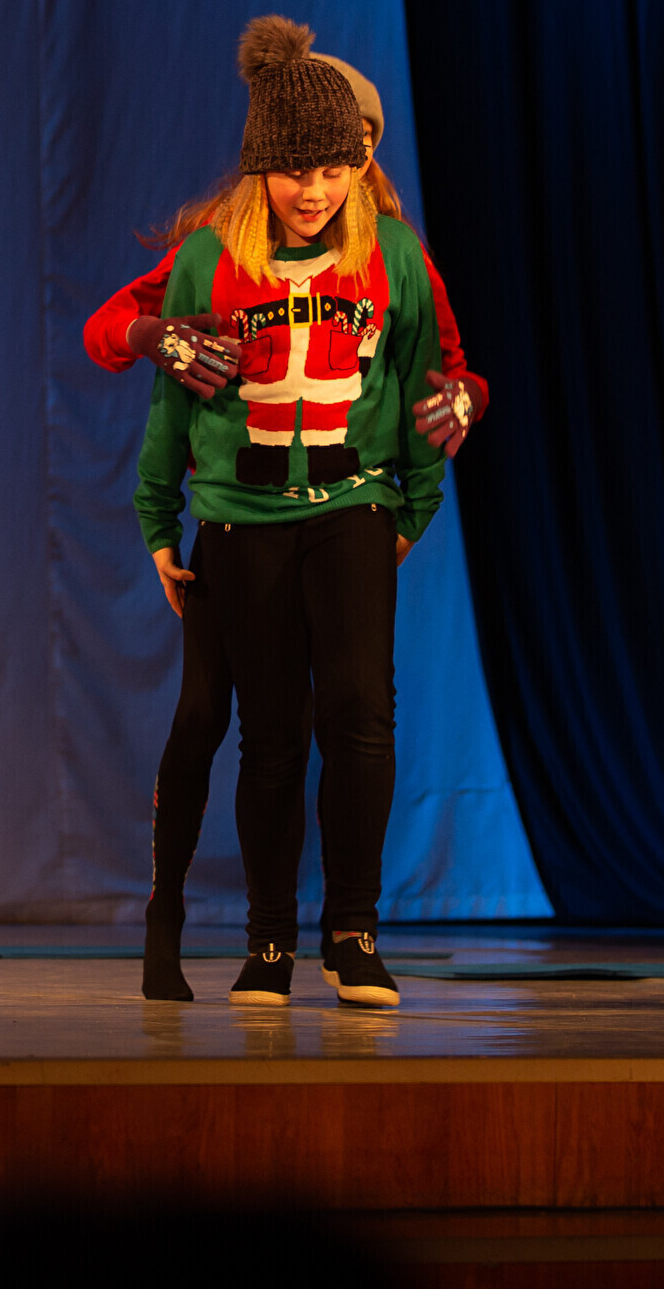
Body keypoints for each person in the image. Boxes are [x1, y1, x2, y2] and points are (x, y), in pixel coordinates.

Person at [84, 50, 486, 1001]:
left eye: (335, 166)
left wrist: (418, 495)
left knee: (360, 715)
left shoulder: (392, 252)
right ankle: (267, 944)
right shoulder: (209, 256)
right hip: (239, 519)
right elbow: (155, 381)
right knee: (264, 734)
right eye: (295, 168)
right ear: (260, 163)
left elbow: (435, 377)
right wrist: (158, 519)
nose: (315, 190)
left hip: (354, 509)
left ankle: (353, 932)